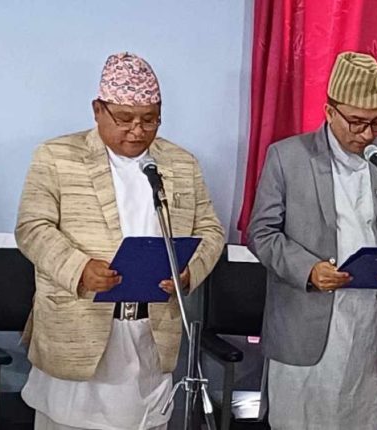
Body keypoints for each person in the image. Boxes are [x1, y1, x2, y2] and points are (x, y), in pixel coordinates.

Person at [15, 52, 225, 430]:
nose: (137, 131)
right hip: (78, 328)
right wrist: (79, 268)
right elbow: (32, 228)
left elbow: (211, 230)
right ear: (98, 110)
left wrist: (189, 272)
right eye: (125, 119)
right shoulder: (57, 157)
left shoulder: (181, 164)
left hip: (151, 332)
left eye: (150, 119)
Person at [247, 51, 377, 429]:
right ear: (329, 111)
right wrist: (308, 269)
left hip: (368, 326)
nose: (367, 134)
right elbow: (261, 233)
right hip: (304, 324)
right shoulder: (287, 157)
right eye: (356, 122)